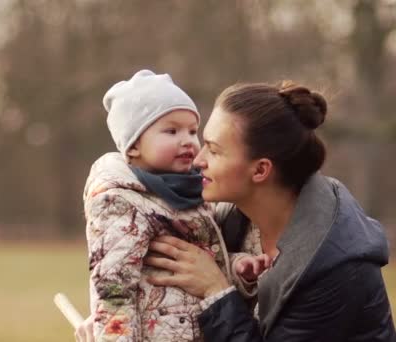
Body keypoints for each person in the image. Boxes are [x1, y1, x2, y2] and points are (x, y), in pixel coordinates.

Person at [141, 81, 396, 341]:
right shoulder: (229, 218)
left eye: (214, 151)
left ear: (261, 170)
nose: (198, 160)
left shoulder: (333, 269)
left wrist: (215, 290)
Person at [81, 70, 266, 342]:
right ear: (133, 146)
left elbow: (202, 262)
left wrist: (238, 267)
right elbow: (113, 292)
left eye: (192, 131)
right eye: (171, 130)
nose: (188, 141)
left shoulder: (188, 192)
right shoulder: (119, 201)